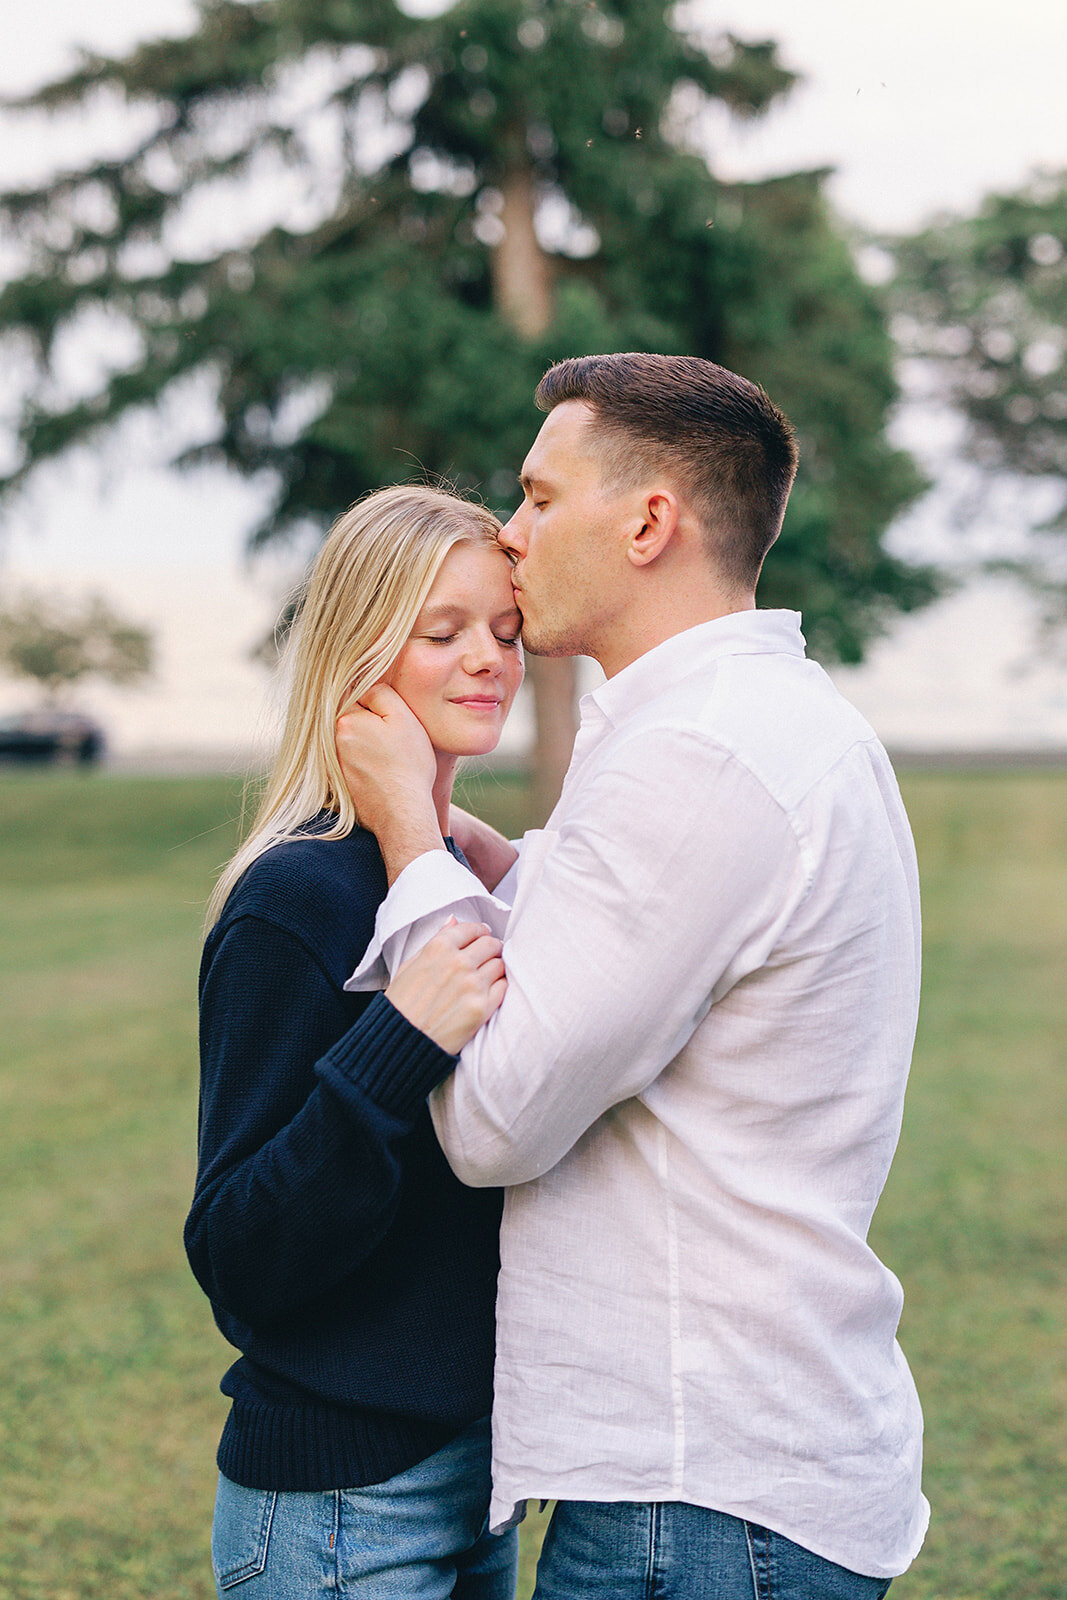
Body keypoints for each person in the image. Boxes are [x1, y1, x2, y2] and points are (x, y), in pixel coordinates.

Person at [337, 354, 929, 1599]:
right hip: (724, 1475)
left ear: (648, 522)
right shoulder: (761, 724)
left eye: (539, 498)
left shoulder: (699, 757)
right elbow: (642, 940)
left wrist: (405, 835)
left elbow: (495, 1118)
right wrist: (507, 867)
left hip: (702, 1493)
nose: (509, 532)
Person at [185, 483, 525, 1600]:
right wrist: (395, 1041)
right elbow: (239, 1253)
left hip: (480, 1474)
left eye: (506, 630)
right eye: (442, 632)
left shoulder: (468, 881)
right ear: (360, 650)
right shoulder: (298, 897)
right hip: (340, 1505)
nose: (486, 659)